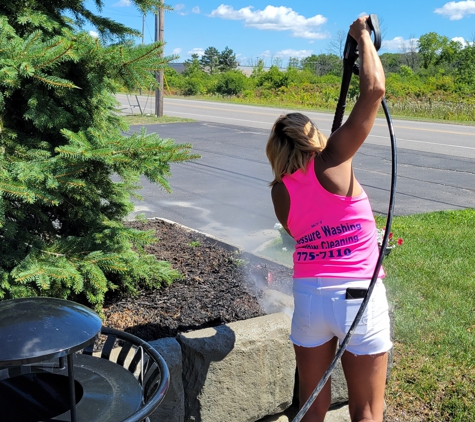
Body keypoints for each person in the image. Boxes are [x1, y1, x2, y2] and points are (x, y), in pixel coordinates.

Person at [265, 16, 392, 422]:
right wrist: (363, 39)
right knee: (367, 410)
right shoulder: (334, 161)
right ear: (314, 137)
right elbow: (373, 90)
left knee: (311, 406)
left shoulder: (279, 192)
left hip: (310, 298)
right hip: (357, 295)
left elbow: (304, 231)